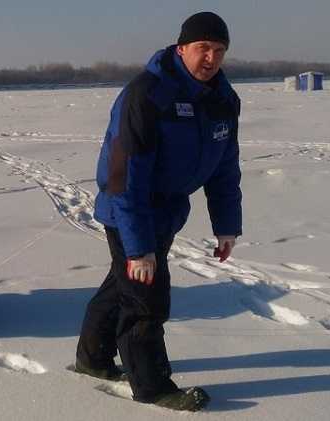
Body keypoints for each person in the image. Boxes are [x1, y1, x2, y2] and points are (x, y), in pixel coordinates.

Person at [75, 11, 242, 411]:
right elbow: (123, 178)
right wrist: (138, 248)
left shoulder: (222, 99)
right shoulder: (147, 95)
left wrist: (227, 226)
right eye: (203, 48)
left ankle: (93, 359)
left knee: (122, 285)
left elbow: (224, 167)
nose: (211, 59)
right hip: (127, 209)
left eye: (219, 51)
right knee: (146, 300)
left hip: (167, 211)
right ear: (181, 47)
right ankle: (151, 385)